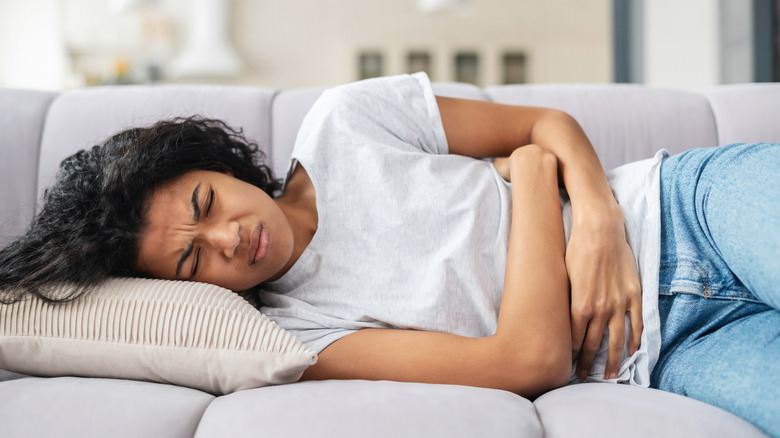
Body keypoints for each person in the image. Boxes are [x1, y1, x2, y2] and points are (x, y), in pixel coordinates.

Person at [0, 73, 777, 437]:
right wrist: (538, 181)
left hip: (684, 204)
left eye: (205, 205)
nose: (230, 239)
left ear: (219, 164)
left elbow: (547, 121)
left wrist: (600, 217)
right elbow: (531, 358)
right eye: (191, 264)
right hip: (663, 350)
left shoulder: (346, 120)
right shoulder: (303, 335)